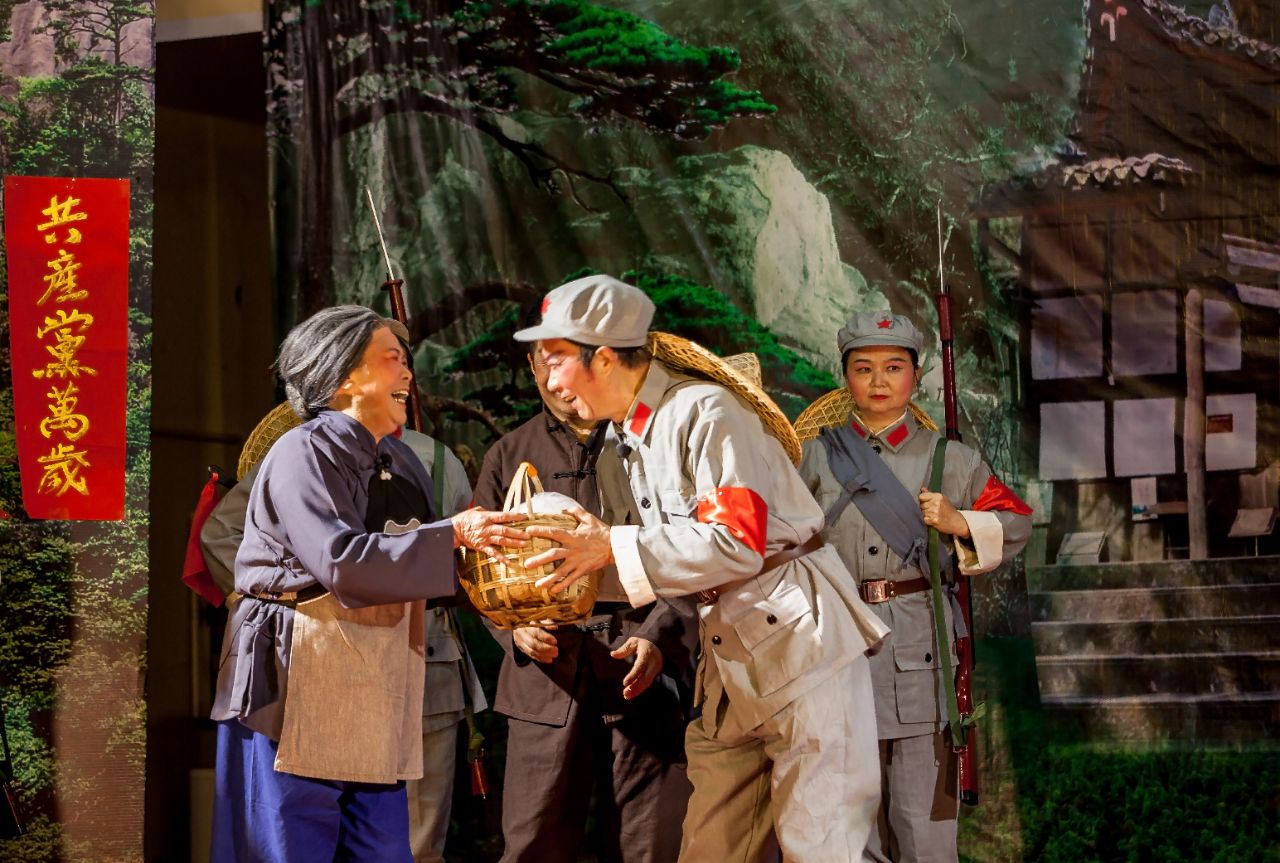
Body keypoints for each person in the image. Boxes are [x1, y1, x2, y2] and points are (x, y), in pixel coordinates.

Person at [515, 275, 890, 863]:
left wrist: (608, 545)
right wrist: (568, 572)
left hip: (797, 645)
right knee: (711, 847)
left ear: (605, 359)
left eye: (558, 359)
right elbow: (669, 553)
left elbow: (737, 542)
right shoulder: (629, 436)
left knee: (824, 847)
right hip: (730, 660)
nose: (552, 380)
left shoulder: (706, 412)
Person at [207, 305, 524, 862]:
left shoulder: (399, 458)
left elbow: (426, 563)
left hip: (378, 678)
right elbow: (341, 563)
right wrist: (452, 534)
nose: (408, 373)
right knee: (289, 846)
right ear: (344, 376)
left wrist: (506, 573)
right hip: (295, 674)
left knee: (381, 849)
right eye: (392, 359)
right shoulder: (302, 451)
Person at [795, 312, 1032, 863]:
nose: (878, 381)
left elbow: (1017, 522)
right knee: (846, 838)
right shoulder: (814, 457)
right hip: (837, 653)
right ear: (845, 376)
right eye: (864, 368)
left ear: (916, 375)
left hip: (920, 659)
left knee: (925, 835)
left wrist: (959, 521)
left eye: (893, 367)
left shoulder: (953, 460)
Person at [201, 423, 485, 863]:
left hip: (400, 667)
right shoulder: (301, 449)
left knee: (405, 843)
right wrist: (276, 599)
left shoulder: (418, 459)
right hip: (301, 668)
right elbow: (232, 539)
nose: (401, 385)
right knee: (288, 837)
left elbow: (455, 566)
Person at [473, 338, 697, 863]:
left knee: (649, 843)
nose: (560, 380)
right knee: (535, 839)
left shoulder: (647, 443)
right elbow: (477, 565)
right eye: (547, 363)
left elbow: (692, 546)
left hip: (640, 660)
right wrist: (513, 630)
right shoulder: (508, 454)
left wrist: (660, 635)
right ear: (531, 366)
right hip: (546, 670)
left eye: (571, 361)